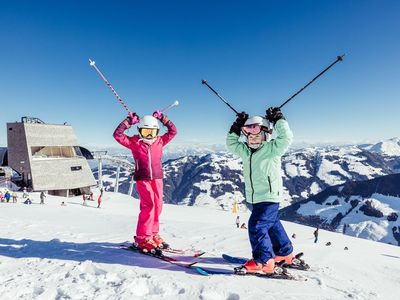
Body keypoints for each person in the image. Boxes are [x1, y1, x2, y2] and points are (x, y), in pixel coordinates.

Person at [226, 107, 294, 275]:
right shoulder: (245, 151)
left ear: (266, 135)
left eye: (257, 136)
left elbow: (287, 137)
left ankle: (263, 261)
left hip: (269, 196)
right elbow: (231, 143)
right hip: (253, 198)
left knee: (256, 226)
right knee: (272, 225)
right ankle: (284, 254)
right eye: (249, 136)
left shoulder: (272, 149)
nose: (253, 139)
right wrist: (236, 126)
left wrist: (279, 120)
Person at [113, 110, 177, 253]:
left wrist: (163, 118)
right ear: (139, 130)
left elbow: (173, 131)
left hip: (157, 177)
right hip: (143, 178)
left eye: (152, 132)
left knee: (158, 205)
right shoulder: (134, 142)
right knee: (149, 206)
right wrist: (128, 122)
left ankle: (152, 234)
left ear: (157, 132)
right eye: (146, 131)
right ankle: (143, 238)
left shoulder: (160, 141)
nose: (149, 135)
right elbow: (118, 135)